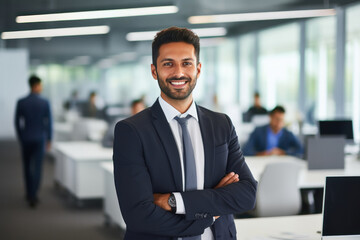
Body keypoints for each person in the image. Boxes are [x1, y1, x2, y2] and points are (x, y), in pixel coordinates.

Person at [113, 27, 257, 240]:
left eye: (186, 63)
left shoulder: (221, 124)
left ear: (198, 69)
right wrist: (210, 215)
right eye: (168, 64)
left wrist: (174, 201)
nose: (178, 73)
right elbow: (138, 215)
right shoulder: (132, 131)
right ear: (154, 71)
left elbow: (247, 195)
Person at [14, 75, 52, 208]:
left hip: (26, 138)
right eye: (40, 85)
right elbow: (49, 123)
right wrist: (49, 138)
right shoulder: (44, 102)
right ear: (36, 86)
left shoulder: (21, 102)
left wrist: (21, 136)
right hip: (39, 139)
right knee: (37, 167)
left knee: (26, 166)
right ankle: (34, 194)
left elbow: (17, 122)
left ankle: (29, 192)